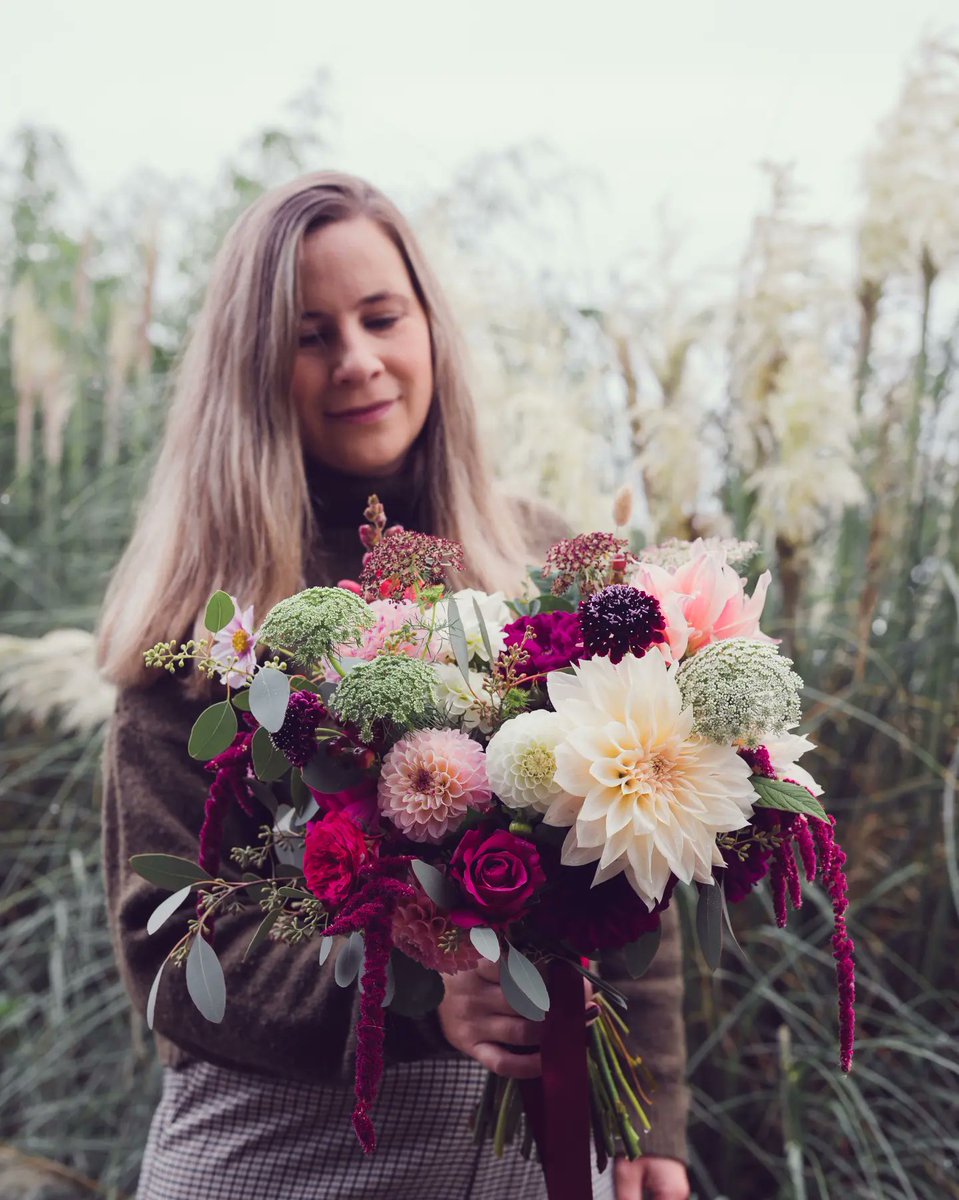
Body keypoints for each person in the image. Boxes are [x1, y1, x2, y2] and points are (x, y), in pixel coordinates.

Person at [96, 171, 691, 1200]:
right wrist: (415, 996)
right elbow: (175, 950)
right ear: (252, 369)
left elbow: (636, 853)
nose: (357, 362)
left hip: (532, 1147)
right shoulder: (198, 628)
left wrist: (653, 1116)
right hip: (277, 1149)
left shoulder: (546, 564)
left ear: (429, 327)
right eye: (309, 335)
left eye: (380, 317)